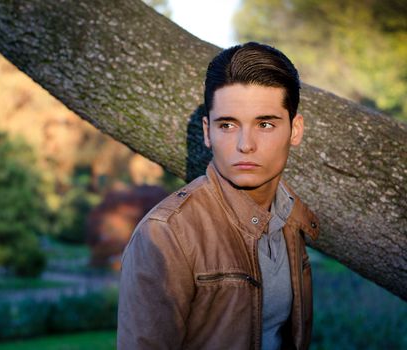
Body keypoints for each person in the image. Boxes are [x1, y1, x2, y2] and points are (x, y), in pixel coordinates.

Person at [117, 42, 319, 350]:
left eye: (264, 124)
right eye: (228, 125)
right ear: (208, 132)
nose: (245, 145)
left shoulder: (291, 220)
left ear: (295, 130)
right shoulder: (166, 233)